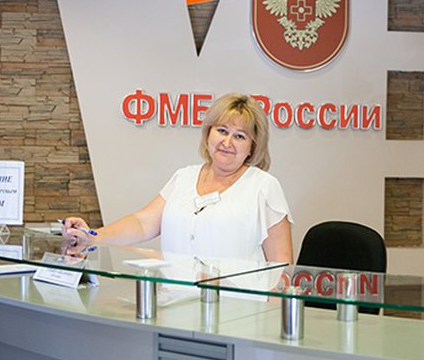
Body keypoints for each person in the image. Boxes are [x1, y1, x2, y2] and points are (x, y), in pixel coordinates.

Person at [62, 93, 293, 264]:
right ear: (208, 133)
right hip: (175, 304)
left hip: (239, 310)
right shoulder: (184, 176)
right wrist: (92, 237)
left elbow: (281, 267)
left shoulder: (264, 187)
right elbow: (143, 223)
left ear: (253, 146)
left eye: (239, 136)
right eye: (222, 131)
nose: (227, 142)